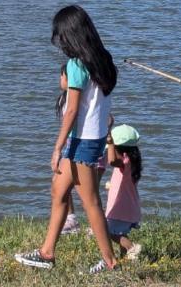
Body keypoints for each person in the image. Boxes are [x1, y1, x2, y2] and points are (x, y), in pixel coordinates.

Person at [15, 5, 119, 274]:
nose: (58, 41)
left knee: (91, 202)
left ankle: (110, 262)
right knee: (58, 191)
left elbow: (71, 109)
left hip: (81, 142)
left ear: (70, 35)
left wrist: (58, 146)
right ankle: (47, 253)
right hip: (92, 139)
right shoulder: (104, 60)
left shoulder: (75, 65)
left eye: (60, 35)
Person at [54, 65, 108, 237]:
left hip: (83, 145)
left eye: (62, 76)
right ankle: (48, 249)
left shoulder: (79, 80)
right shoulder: (67, 98)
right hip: (78, 144)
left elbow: (74, 113)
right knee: (59, 187)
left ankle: (117, 252)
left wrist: (58, 147)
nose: (60, 80)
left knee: (90, 200)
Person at [104, 123, 143, 261]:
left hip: (120, 208)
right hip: (130, 207)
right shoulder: (133, 162)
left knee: (108, 232)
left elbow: (112, 161)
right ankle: (125, 257)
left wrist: (110, 143)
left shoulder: (124, 161)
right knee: (120, 233)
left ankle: (132, 248)